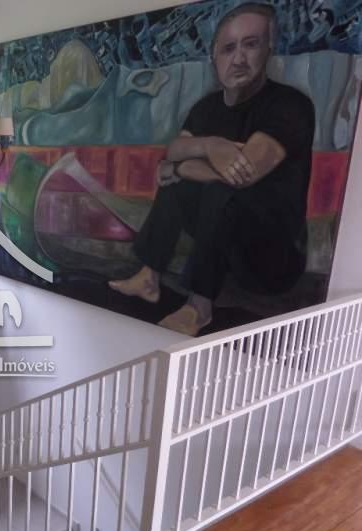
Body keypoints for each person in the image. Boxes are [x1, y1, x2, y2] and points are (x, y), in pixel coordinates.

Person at [109, 3, 315, 336]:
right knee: (180, 186)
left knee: (220, 188)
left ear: (268, 49)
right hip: (226, 242)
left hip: (274, 254)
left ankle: (199, 308)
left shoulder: (289, 105)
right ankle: (149, 276)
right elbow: (174, 150)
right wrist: (211, 147)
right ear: (214, 58)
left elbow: (243, 174)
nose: (239, 58)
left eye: (251, 44)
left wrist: (181, 167)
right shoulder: (206, 108)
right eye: (228, 48)